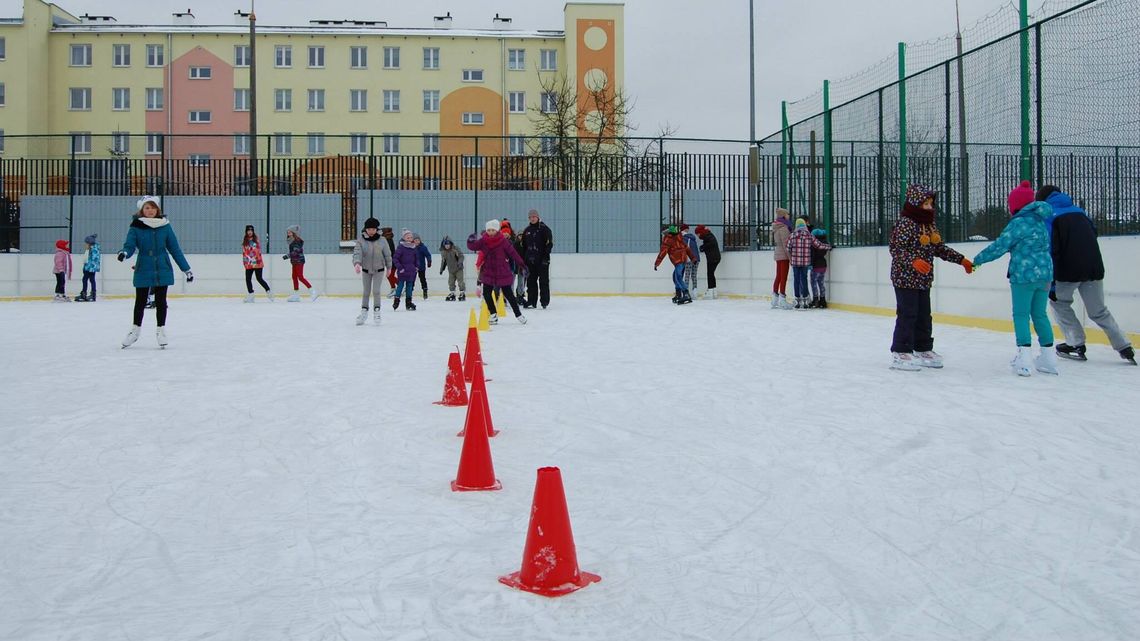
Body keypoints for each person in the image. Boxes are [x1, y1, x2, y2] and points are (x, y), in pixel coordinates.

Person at [1037, 185, 1135, 365]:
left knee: (1059, 303)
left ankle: (1076, 343)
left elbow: (1050, 249)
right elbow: (1093, 234)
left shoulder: (1049, 216)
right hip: (1093, 267)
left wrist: (1052, 284)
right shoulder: (1080, 212)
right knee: (1099, 311)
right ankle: (1124, 346)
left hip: (1068, 270)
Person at [971, 181, 1057, 376]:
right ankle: (1049, 358)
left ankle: (1025, 359)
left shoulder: (1018, 223)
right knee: (1040, 315)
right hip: (1045, 275)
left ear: (1015, 205)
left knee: (1021, 315)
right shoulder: (1040, 221)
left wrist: (977, 260)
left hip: (1023, 276)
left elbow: (999, 246)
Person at [888, 184, 973, 371]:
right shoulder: (905, 223)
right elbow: (896, 249)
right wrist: (913, 261)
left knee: (924, 316)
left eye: (931, 203)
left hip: (923, 279)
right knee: (908, 314)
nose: (929, 207)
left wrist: (961, 260)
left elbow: (938, 248)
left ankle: (923, 348)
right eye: (925, 204)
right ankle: (901, 350)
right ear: (915, 203)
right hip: (904, 278)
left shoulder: (929, 225)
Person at [117, 195, 193, 348]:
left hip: (162, 266)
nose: (150, 210)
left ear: (157, 209)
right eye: (147, 207)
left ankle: (161, 331)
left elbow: (174, 249)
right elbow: (130, 245)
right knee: (140, 301)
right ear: (142, 210)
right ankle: (135, 331)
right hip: (144, 266)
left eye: (152, 207)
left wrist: (186, 269)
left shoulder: (165, 226)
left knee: (161, 301)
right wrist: (124, 253)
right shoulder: (136, 227)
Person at [467, 219, 527, 324]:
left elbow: (513, 253)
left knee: (509, 294)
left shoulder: (503, 241)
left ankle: (519, 315)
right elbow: (473, 247)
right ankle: (493, 314)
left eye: (493, 230)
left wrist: (522, 264)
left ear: (497, 230)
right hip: (489, 271)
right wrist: (470, 241)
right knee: (486, 293)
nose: (490, 232)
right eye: (488, 230)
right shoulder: (484, 240)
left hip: (502, 271)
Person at [353, 216, 393, 325]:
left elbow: (388, 255)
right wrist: (357, 263)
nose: (371, 231)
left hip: (379, 269)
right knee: (366, 291)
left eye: (373, 229)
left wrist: (389, 267)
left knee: (376, 291)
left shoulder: (382, 240)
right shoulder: (361, 240)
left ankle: (377, 312)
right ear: (365, 229)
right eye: (369, 229)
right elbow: (357, 252)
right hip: (366, 270)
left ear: (377, 229)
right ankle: (364, 312)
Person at [786, 219, 830, 309]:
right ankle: (805, 300)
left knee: (796, 280)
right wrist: (828, 246)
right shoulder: (809, 235)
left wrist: (791, 258)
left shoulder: (792, 236)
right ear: (804, 226)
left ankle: (798, 300)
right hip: (805, 262)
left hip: (795, 262)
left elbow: (788, 248)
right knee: (804, 279)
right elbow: (818, 245)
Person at [654, 225, 697, 304]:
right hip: (683, 259)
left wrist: (657, 263)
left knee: (678, 277)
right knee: (675, 276)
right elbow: (687, 248)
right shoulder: (679, 237)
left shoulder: (667, 239)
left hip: (678, 260)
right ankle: (678, 294)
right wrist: (693, 258)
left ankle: (686, 294)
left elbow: (663, 252)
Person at [522, 209, 554, 309]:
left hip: (542, 260)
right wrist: (524, 259)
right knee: (531, 281)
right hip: (530, 261)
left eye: (534, 217)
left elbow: (549, 244)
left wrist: (545, 258)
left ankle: (544, 301)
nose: (532, 218)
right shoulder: (527, 231)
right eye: (530, 217)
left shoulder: (544, 229)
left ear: (538, 217)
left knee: (543, 281)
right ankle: (531, 301)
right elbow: (524, 246)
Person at [283, 225, 318, 302]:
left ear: (293, 232)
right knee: (294, 277)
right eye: (287, 232)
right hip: (294, 261)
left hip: (299, 260)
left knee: (300, 277)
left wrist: (287, 256)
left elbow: (296, 251)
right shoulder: (291, 240)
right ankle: (296, 295)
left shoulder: (297, 240)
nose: (288, 233)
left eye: (289, 232)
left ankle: (313, 291)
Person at [241, 224, 273, 302]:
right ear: (246, 231)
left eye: (251, 230)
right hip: (249, 263)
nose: (250, 232)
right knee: (248, 279)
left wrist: (250, 258)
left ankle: (268, 291)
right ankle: (251, 295)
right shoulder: (245, 240)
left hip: (257, 263)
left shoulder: (256, 239)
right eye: (248, 230)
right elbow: (244, 252)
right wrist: (245, 261)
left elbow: (255, 250)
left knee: (259, 278)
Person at [770, 208, 793, 309]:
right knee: (783, 277)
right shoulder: (783, 228)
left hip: (778, 254)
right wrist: (790, 258)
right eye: (787, 214)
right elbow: (785, 245)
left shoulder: (777, 227)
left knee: (778, 276)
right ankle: (782, 299)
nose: (789, 216)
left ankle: (774, 299)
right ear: (783, 215)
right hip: (783, 255)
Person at [392, 229, 419, 311]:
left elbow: (416, 258)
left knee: (409, 287)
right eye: (407, 237)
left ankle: (408, 302)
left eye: (411, 237)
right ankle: (396, 301)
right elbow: (395, 258)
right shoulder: (401, 247)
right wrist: (400, 268)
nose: (409, 239)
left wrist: (416, 267)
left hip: (411, 271)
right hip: (402, 271)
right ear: (404, 238)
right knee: (400, 286)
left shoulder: (414, 248)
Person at [695, 225, 720, 299]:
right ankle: (713, 291)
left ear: (701, 232)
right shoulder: (709, 235)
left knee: (710, 274)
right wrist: (703, 247)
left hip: (713, 258)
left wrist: (702, 247)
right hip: (715, 258)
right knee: (711, 274)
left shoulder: (707, 237)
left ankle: (710, 291)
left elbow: (710, 244)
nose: (698, 235)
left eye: (698, 234)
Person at [439, 236, 466, 301]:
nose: (447, 246)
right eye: (445, 244)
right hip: (451, 270)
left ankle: (462, 293)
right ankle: (452, 293)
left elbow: (461, 256)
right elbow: (443, 261)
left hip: (458, 269)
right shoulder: (444, 252)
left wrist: (460, 263)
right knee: (451, 282)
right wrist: (441, 269)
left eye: (448, 244)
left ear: (451, 244)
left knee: (460, 282)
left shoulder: (455, 249)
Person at [808, 228, 830, 308]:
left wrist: (810, 264)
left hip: (816, 266)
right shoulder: (825, 243)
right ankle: (823, 300)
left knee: (813, 282)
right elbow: (829, 247)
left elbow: (813, 255)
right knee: (821, 283)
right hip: (823, 265)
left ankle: (815, 300)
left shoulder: (814, 244)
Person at [77, 234, 100, 302]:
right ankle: (85, 293)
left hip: (90, 268)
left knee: (88, 279)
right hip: (89, 268)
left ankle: (92, 294)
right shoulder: (90, 249)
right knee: (87, 279)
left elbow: (93, 260)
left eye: (86, 243)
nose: (85, 245)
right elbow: (86, 259)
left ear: (90, 243)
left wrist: (89, 268)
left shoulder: (94, 249)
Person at [680, 223, 700, 299]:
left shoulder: (683, 238)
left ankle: (686, 292)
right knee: (694, 275)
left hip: (689, 259)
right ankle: (695, 293)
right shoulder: (692, 238)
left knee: (687, 275)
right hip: (697, 259)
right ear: (686, 229)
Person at [413, 232, 432, 300]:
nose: (417, 242)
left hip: (421, 267)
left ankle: (425, 291)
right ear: (413, 241)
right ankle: (410, 291)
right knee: (412, 280)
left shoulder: (423, 247)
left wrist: (429, 261)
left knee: (423, 279)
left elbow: (428, 255)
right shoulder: (411, 248)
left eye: (418, 240)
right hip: (413, 268)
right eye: (415, 240)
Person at [381, 227, 398, 296]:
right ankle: (393, 289)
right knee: (390, 276)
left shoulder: (388, 240)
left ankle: (400, 286)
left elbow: (388, 251)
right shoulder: (387, 240)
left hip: (392, 261)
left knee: (390, 276)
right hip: (390, 260)